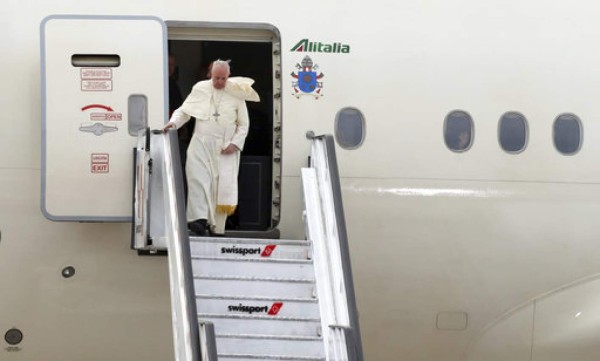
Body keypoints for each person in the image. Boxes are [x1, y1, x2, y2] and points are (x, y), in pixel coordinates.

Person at [163, 59, 259, 236]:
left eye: (223, 78)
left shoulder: (237, 93)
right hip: (200, 143)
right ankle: (198, 219)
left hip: (225, 149)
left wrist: (235, 144)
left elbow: (244, 124)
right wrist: (173, 123)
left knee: (220, 188)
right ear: (210, 75)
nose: (220, 82)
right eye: (216, 78)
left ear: (228, 76)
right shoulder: (200, 88)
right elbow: (184, 111)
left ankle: (216, 227)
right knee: (198, 180)